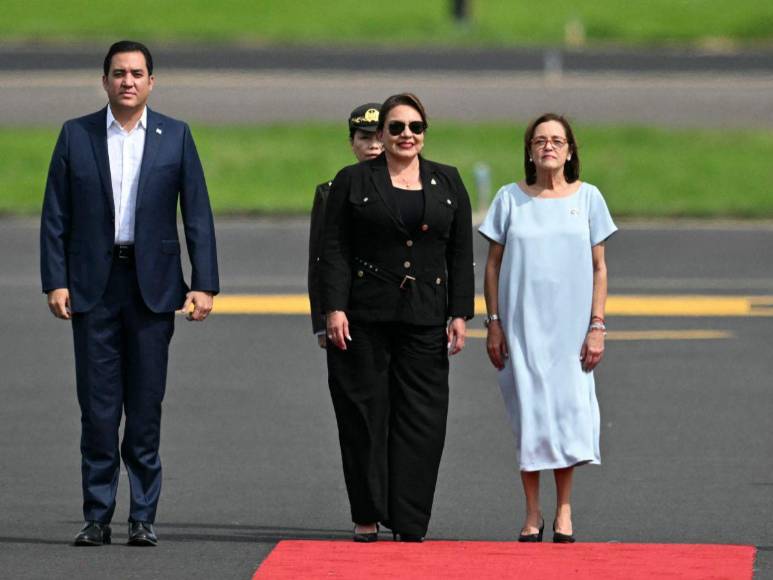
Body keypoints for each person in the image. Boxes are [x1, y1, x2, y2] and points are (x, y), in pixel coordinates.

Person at [40, 40, 219, 547]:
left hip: (153, 287)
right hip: (92, 287)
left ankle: (143, 515)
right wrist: (55, 279)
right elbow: (55, 216)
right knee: (97, 411)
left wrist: (204, 281)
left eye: (137, 73)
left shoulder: (175, 136)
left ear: (151, 82)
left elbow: (198, 213)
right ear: (105, 81)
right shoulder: (76, 136)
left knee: (144, 408)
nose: (128, 81)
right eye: (119, 73)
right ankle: (97, 515)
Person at [321, 93, 474, 543]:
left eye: (415, 128)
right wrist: (334, 308)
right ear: (382, 135)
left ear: (425, 133)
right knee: (365, 416)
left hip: (426, 316)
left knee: (423, 420)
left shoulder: (448, 181)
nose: (407, 135)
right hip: (364, 317)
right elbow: (334, 250)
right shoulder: (352, 180)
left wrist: (460, 313)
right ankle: (367, 512)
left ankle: (409, 518)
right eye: (396, 128)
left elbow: (460, 252)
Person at [479, 113, 616, 543]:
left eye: (557, 140)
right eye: (540, 140)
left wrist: (597, 325)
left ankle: (565, 510)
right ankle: (532, 512)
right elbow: (493, 264)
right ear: (530, 151)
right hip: (522, 327)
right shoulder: (509, 199)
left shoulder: (589, 198)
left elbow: (599, 267)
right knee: (531, 414)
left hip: (571, 329)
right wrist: (494, 322)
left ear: (570, 150)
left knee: (568, 414)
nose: (549, 147)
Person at [308, 103, 383, 347]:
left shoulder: (415, 188)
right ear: (352, 143)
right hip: (349, 307)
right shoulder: (330, 193)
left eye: (380, 137)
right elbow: (319, 259)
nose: (373, 145)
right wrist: (322, 320)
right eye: (364, 137)